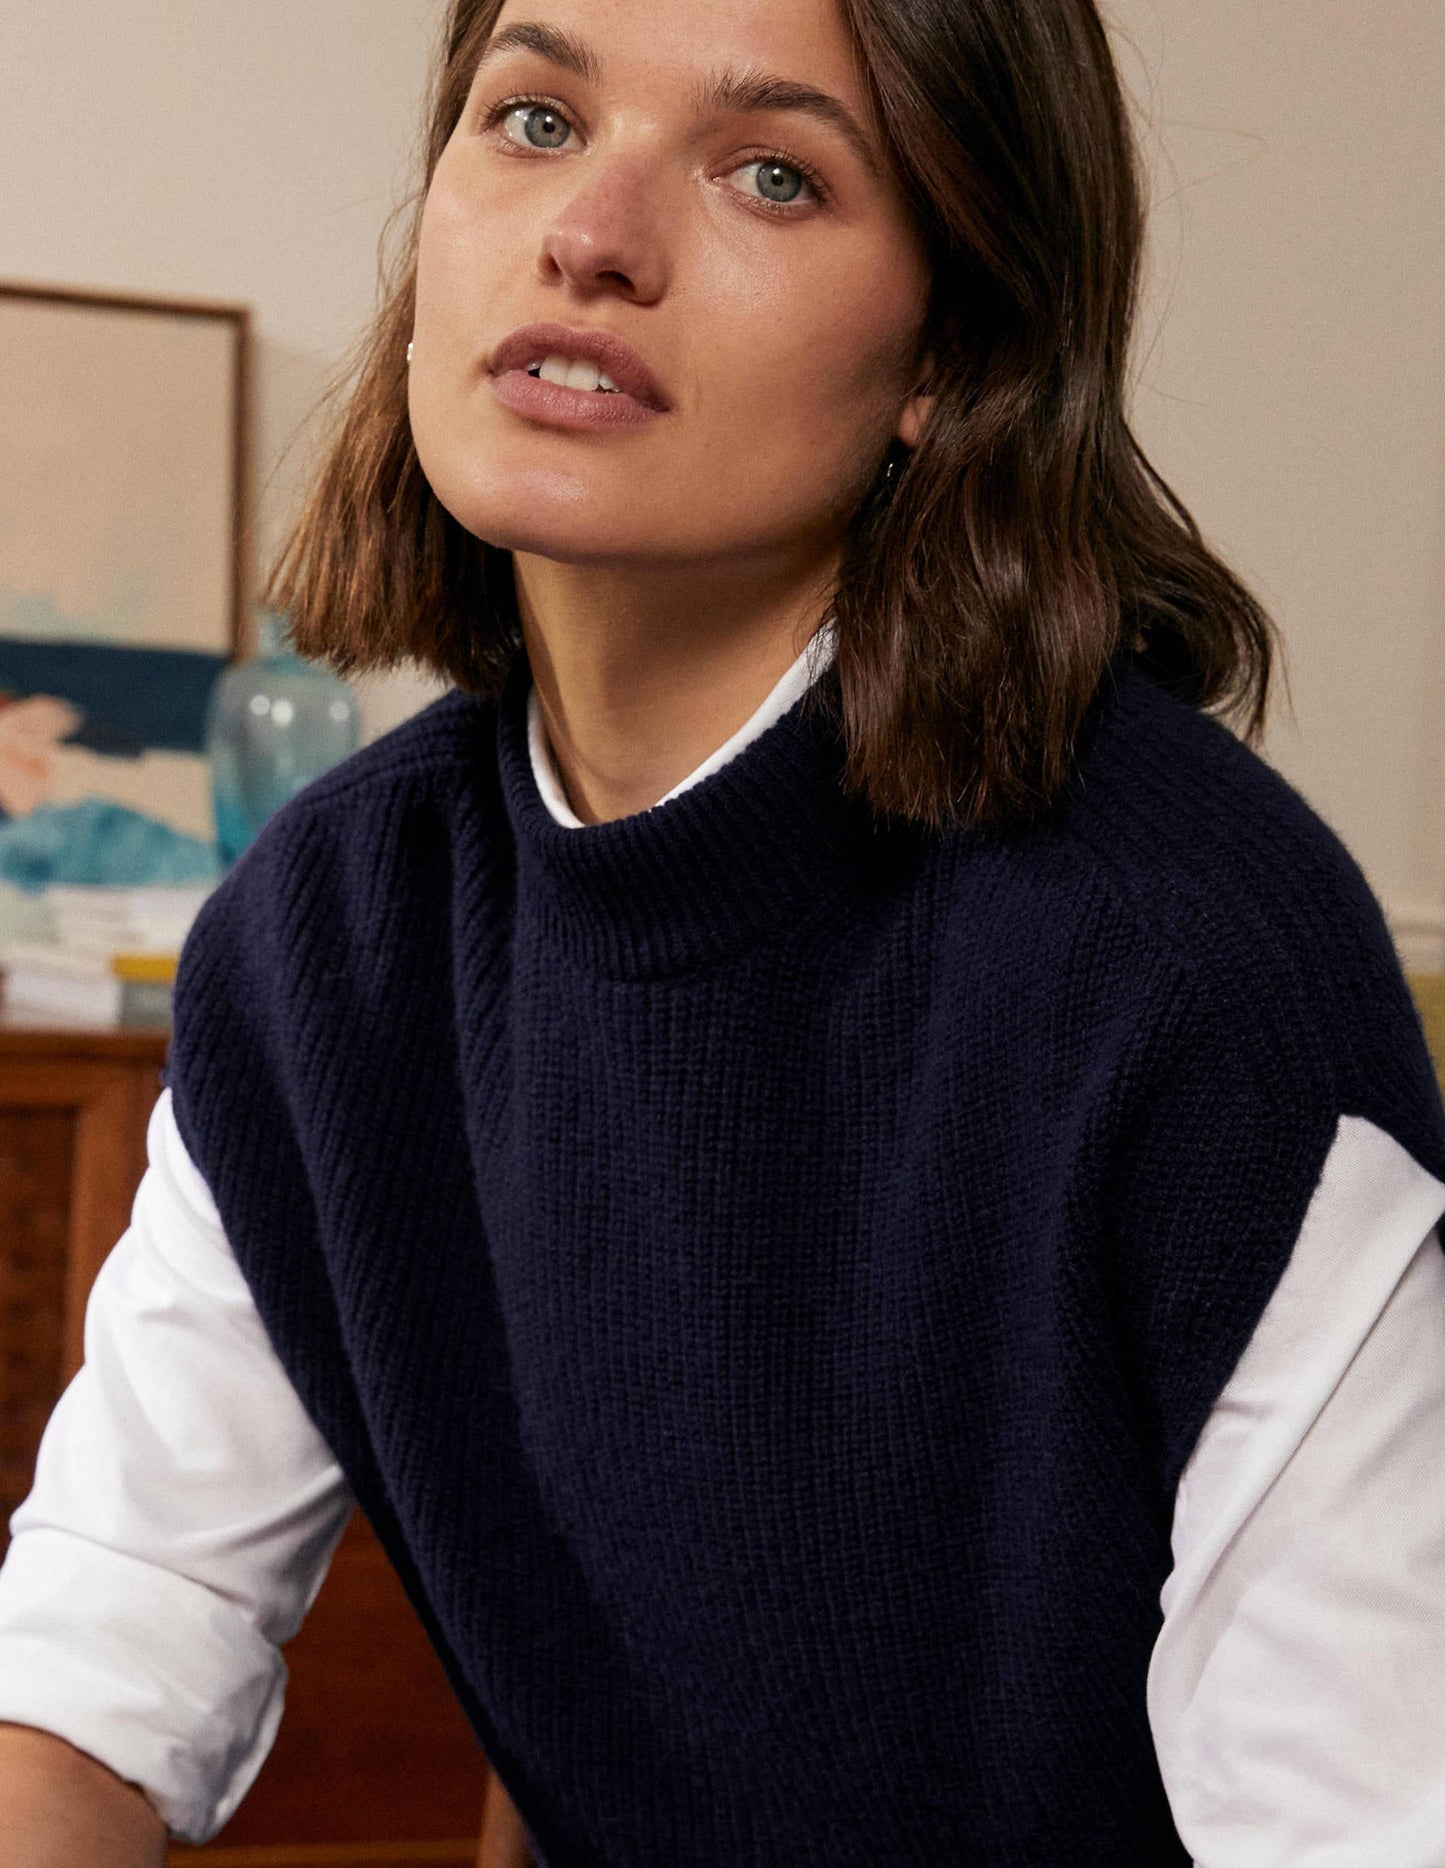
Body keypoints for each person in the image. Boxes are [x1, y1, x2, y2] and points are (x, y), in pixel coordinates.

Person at [3, 0, 1445, 1862]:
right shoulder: (327, 937)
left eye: (771, 172)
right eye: (534, 118)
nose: (591, 235)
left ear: (952, 349)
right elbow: (95, 1672)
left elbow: (1364, 1823)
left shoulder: (1186, 968)